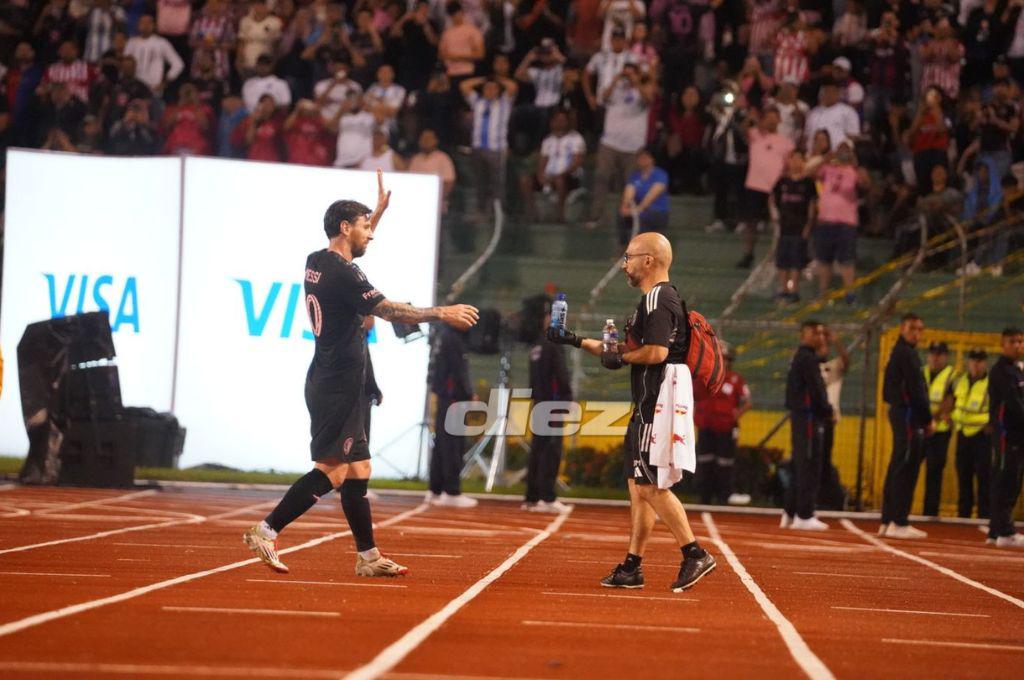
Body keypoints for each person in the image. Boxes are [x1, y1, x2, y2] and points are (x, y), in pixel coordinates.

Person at [243, 171, 479, 575]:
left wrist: (376, 215)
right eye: (365, 227)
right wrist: (443, 312)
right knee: (333, 470)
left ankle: (368, 557)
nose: (371, 234)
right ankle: (266, 530)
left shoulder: (318, 260)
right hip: (336, 384)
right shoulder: (345, 274)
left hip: (339, 379)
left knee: (359, 469)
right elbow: (387, 310)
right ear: (344, 227)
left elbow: (351, 256)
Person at [548, 232, 717, 593]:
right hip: (649, 402)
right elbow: (624, 349)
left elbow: (655, 353)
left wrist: (621, 359)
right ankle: (632, 566)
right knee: (639, 486)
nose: (624, 264)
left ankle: (695, 553)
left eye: (629, 257)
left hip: (654, 403)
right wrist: (574, 339)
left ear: (649, 260)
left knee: (651, 486)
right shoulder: (657, 299)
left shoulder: (658, 298)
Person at [879, 313, 933, 539]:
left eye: (920, 329)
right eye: (912, 329)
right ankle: (898, 521)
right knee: (906, 467)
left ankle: (887, 520)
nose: (917, 334)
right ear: (902, 328)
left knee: (897, 465)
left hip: (902, 413)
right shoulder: (907, 354)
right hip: (909, 415)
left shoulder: (898, 352)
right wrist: (927, 418)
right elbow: (917, 390)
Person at [781, 320, 833, 530]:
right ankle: (804, 514)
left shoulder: (801, 356)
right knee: (810, 465)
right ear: (804, 335)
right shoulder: (807, 358)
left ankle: (790, 512)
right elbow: (817, 390)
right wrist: (827, 410)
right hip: (809, 418)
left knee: (799, 464)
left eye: (821, 333)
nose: (820, 337)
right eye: (815, 333)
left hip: (801, 417)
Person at [523, 304, 573, 513]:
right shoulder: (553, 344)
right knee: (551, 451)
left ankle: (532, 497)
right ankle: (547, 497)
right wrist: (566, 397)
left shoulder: (536, 345)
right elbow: (560, 374)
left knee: (538, 449)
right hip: (553, 403)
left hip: (539, 402)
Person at [737, 105, 794, 269]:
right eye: (768, 117)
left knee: (779, 222)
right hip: (754, 185)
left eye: (774, 118)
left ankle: (780, 254)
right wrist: (751, 118)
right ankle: (748, 254)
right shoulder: (755, 134)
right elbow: (742, 130)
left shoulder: (786, 142)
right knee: (751, 222)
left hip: (775, 188)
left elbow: (789, 165)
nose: (771, 121)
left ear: (779, 120)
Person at [812, 139, 870, 302]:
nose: (843, 152)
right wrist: (825, 158)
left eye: (846, 150)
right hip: (826, 220)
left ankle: (849, 293)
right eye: (840, 149)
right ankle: (822, 292)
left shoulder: (855, 171)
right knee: (824, 259)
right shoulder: (827, 168)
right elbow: (811, 174)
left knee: (846, 259)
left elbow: (866, 185)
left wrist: (856, 165)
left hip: (846, 222)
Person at [694, 346, 751, 506]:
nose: (723, 361)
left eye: (725, 359)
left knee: (725, 463)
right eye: (720, 358)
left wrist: (735, 415)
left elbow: (747, 401)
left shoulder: (736, 380)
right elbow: (693, 396)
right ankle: (705, 497)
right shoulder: (704, 377)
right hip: (706, 426)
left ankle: (724, 497)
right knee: (705, 461)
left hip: (726, 428)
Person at [429, 325, 478, 508]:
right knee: (453, 444)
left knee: (441, 443)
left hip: (444, 396)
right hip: (453, 397)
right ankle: (451, 490)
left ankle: (435, 489)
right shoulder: (454, 338)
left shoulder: (441, 335)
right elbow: (459, 369)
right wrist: (469, 393)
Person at [986, 327, 1024, 547]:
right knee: (1006, 481)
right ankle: (1005, 532)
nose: (1017, 345)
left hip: (1017, 435)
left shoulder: (1017, 370)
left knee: (1010, 481)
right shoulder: (1001, 371)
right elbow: (1014, 404)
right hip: (1006, 434)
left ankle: (995, 531)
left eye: (1020, 341)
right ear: (1003, 344)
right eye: (1013, 342)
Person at [460, 75, 517, 218]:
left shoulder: (504, 103)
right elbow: (464, 86)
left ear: (498, 90)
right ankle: (481, 211)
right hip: (478, 147)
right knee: (481, 181)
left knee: (497, 183)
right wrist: (483, 79)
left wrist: (498, 79)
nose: (490, 90)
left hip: (496, 149)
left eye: (493, 88)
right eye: (487, 88)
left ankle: (498, 212)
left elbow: (513, 87)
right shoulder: (477, 102)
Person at [521, 109, 586, 223]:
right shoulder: (548, 140)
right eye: (556, 120)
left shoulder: (576, 138)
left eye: (562, 120)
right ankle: (532, 213)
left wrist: (560, 175)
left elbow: (576, 163)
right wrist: (541, 175)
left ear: (567, 122)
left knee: (559, 180)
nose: (559, 123)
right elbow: (542, 161)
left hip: (569, 177)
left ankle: (560, 215)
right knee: (525, 180)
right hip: (550, 175)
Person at [772, 150, 816, 303]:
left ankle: (794, 290)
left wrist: (808, 226)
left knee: (797, 259)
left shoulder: (808, 183)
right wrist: (775, 219)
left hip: (800, 226)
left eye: (799, 159)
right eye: (793, 158)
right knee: (782, 259)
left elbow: (812, 205)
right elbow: (773, 200)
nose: (796, 162)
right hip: (784, 226)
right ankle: (783, 289)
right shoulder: (782, 182)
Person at [952, 349, 990, 519]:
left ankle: (984, 517)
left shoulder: (991, 384)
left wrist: (992, 425)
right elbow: (953, 402)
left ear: (985, 363)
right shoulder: (960, 381)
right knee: (963, 478)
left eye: (980, 360)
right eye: (973, 360)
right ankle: (963, 517)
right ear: (968, 362)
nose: (976, 364)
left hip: (982, 436)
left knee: (984, 479)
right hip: (963, 435)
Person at [922, 341, 956, 516]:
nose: (935, 358)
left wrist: (930, 419)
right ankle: (902, 510)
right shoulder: (921, 372)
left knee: (934, 472)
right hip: (920, 429)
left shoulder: (951, 375)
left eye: (940, 354)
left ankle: (930, 512)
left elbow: (949, 402)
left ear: (945, 357)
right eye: (933, 354)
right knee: (909, 469)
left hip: (940, 431)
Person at [617, 148, 668, 245]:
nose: (641, 160)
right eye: (639, 158)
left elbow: (652, 195)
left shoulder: (660, 175)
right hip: (638, 211)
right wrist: (625, 206)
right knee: (622, 217)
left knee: (643, 220)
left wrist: (639, 209)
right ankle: (624, 247)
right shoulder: (635, 176)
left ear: (651, 159)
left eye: (644, 157)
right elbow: (629, 191)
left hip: (656, 212)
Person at [124, 14, 184, 94]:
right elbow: (125, 64)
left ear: (154, 25)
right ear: (138, 25)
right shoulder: (131, 43)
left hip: (153, 89)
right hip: (133, 88)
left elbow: (178, 64)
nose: (145, 25)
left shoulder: (161, 43)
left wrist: (164, 82)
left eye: (148, 23)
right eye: (143, 22)